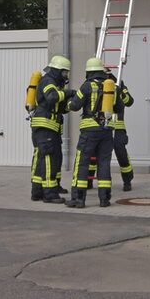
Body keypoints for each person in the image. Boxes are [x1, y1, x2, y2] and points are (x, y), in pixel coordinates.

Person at [66, 57, 114, 208]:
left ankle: (78, 199)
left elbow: (74, 105)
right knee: (104, 163)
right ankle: (104, 199)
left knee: (82, 163)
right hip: (107, 131)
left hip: (89, 131)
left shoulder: (86, 86)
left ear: (89, 72)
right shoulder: (112, 87)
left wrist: (67, 103)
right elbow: (118, 107)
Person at [30, 55, 75, 204]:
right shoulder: (48, 81)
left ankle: (38, 191)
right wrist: (69, 93)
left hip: (50, 127)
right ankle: (49, 194)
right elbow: (51, 97)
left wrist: (75, 102)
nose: (66, 75)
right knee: (49, 159)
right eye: (64, 72)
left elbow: (60, 108)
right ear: (57, 71)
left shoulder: (55, 83)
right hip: (45, 127)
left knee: (48, 158)